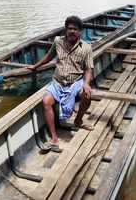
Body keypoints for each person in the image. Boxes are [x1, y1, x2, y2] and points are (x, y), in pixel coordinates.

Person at [28, 16, 94, 152]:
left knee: (87, 96)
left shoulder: (86, 48)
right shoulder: (58, 42)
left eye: (75, 29)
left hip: (75, 83)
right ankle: (54, 138)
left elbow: (89, 69)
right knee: (46, 101)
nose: (72, 31)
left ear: (80, 31)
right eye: (70, 28)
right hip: (57, 83)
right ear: (66, 29)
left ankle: (78, 120)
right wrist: (35, 66)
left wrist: (86, 84)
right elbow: (48, 57)